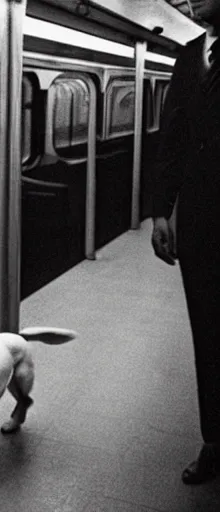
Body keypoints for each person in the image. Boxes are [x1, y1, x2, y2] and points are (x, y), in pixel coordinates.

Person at [151, 0, 220, 485]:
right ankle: (214, 439)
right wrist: (161, 209)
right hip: (198, 216)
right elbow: (172, 136)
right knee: (208, 332)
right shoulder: (190, 54)